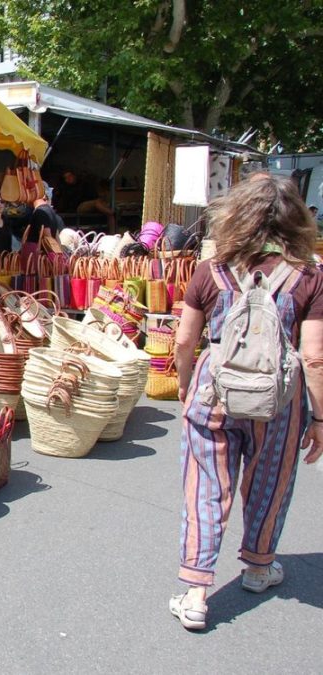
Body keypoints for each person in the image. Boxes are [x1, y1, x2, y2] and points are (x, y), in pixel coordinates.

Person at [169, 174, 323, 631]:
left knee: (205, 489)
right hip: (277, 403)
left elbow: (184, 341)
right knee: (269, 483)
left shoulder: (210, 270)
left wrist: (184, 385)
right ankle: (258, 568)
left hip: (213, 395)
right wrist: (319, 418)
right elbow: (314, 356)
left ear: (236, 215)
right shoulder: (308, 276)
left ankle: (195, 593)